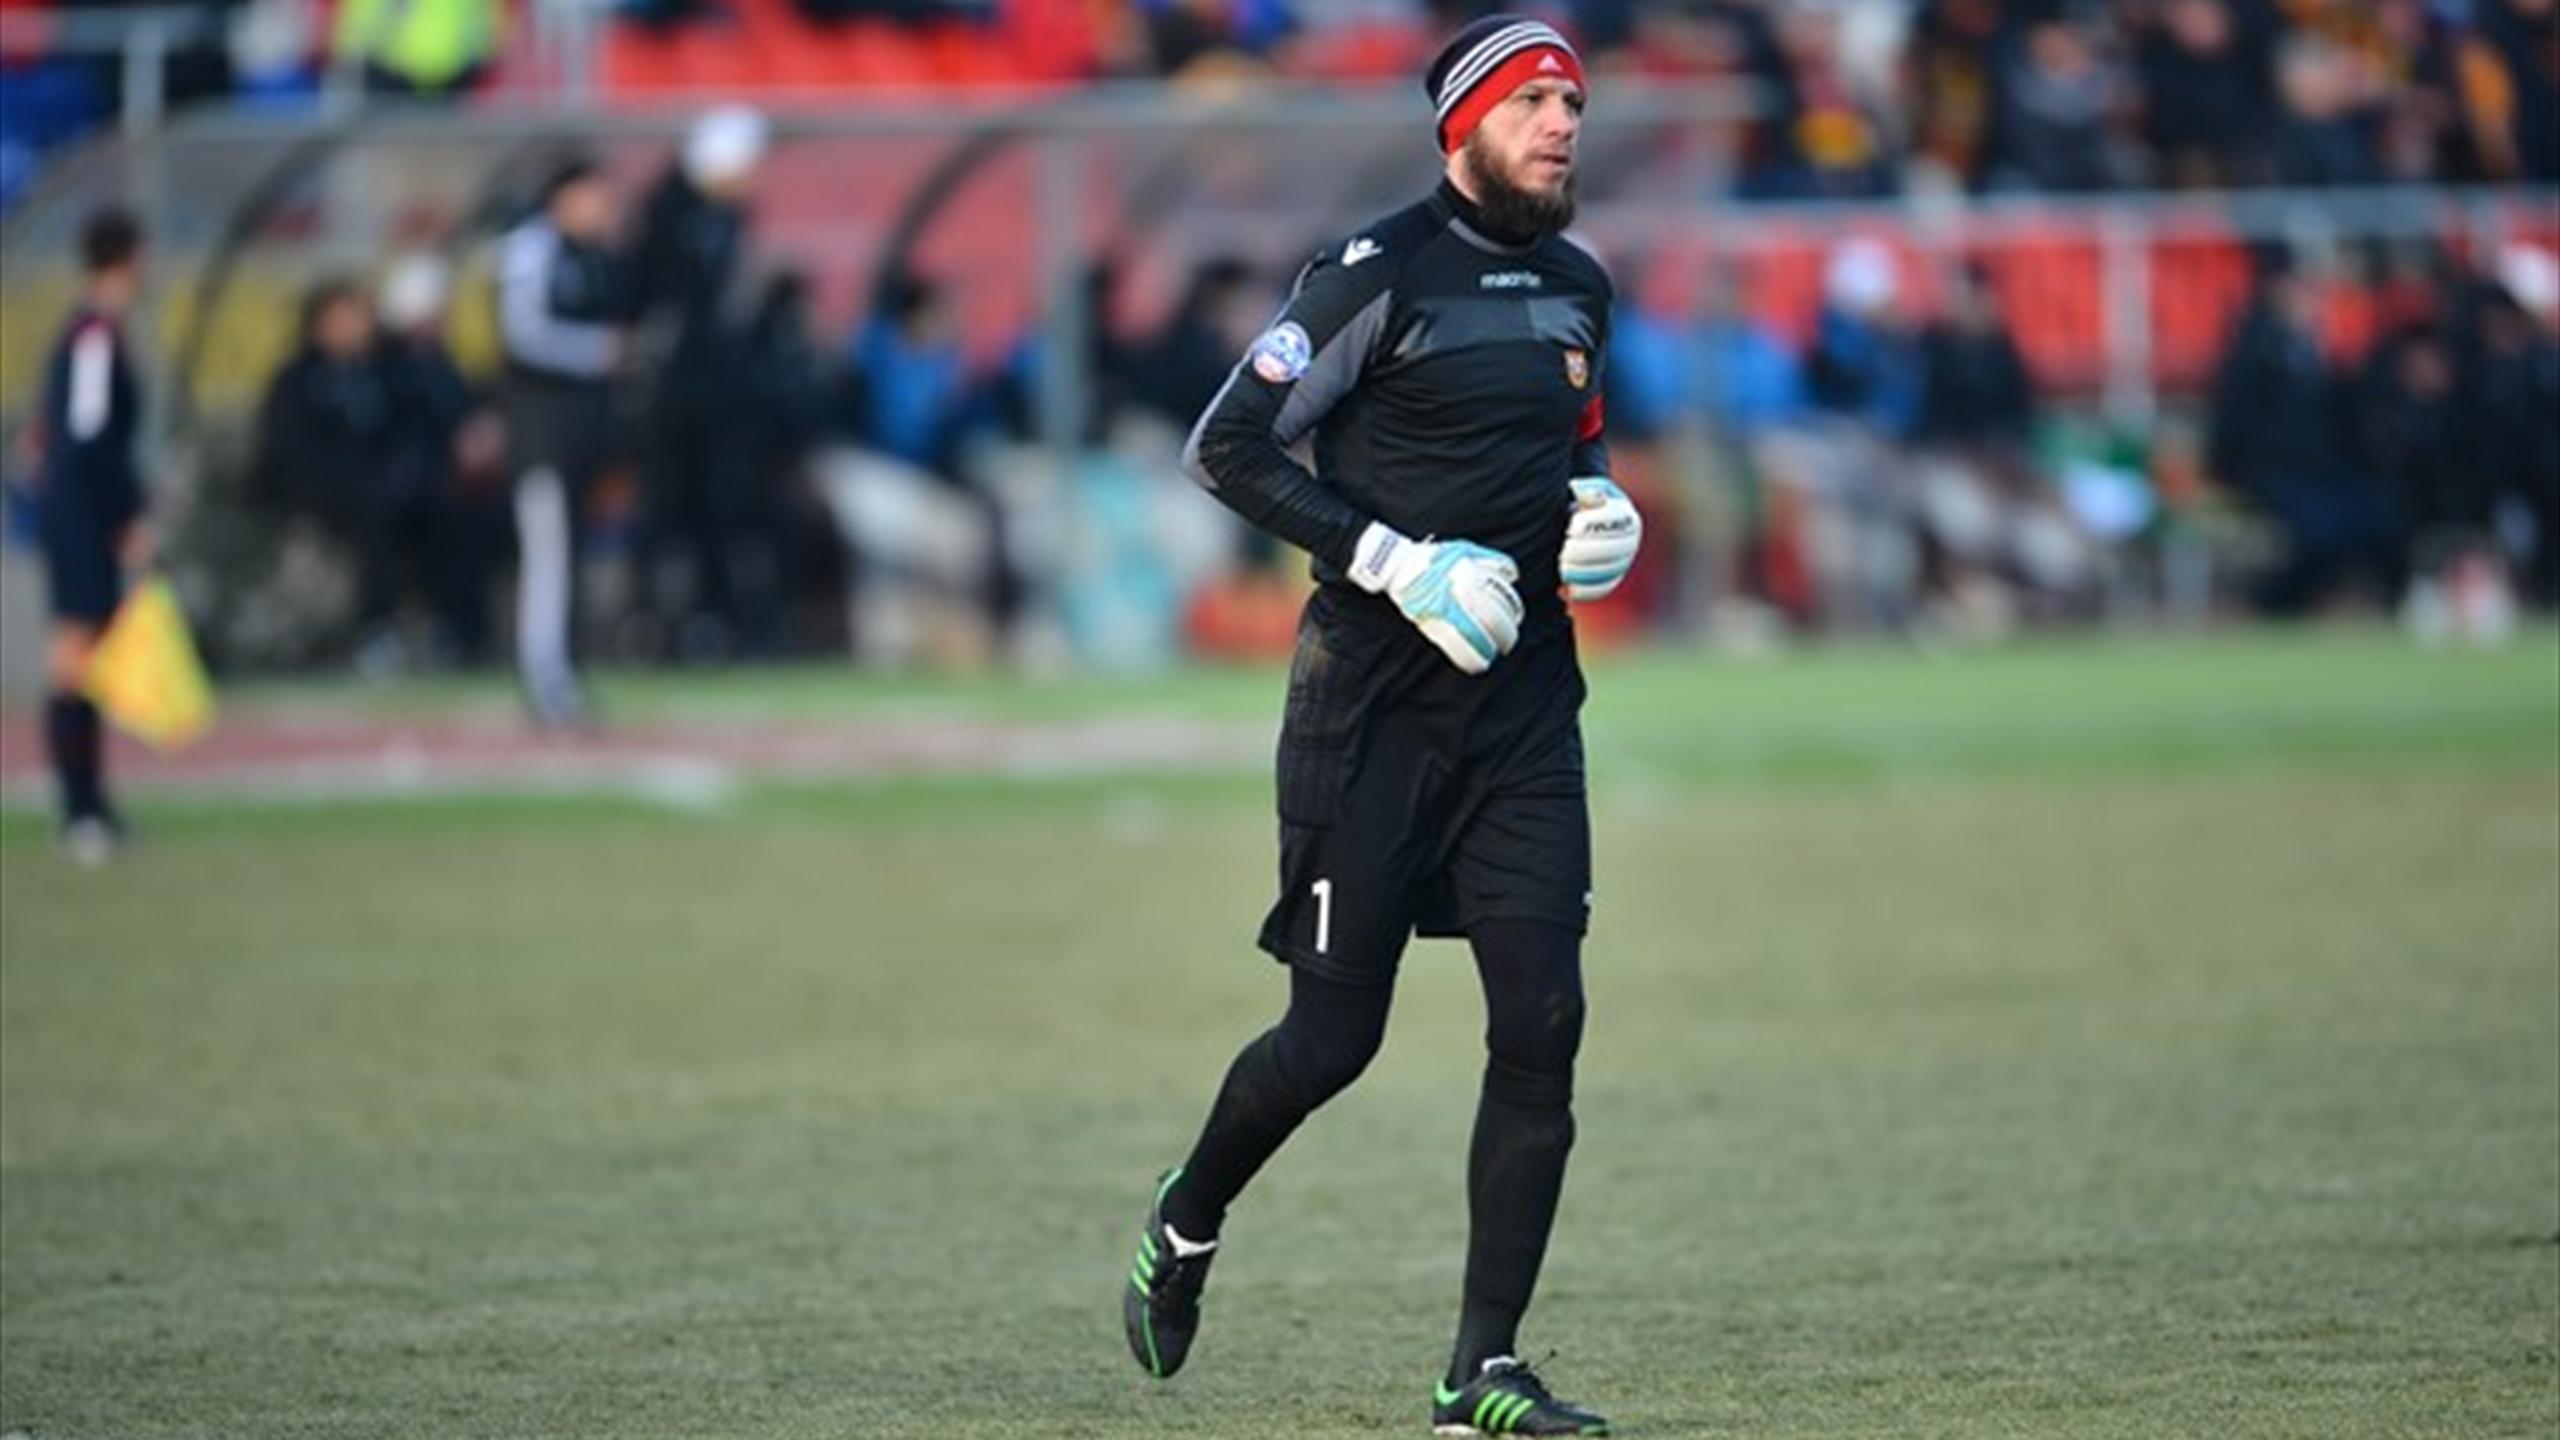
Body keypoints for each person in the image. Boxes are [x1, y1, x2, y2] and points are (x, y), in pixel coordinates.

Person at [1124, 18, 1638, 1436]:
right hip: (1371, 712)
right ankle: (1187, 1215)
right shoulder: (1375, 274)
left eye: (1572, 101)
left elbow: (1577, 441)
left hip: (1524, 710)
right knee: (1331, 1041)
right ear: (1462, 126)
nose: (1561, 123)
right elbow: (1225, 447)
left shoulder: (1583, 288)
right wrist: (1394, 562)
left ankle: (1481, 1370)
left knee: (1544, 1020)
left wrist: (1602, 509)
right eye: (1532, 102)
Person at [496, 157, 635, 727]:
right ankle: (545, 673)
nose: (602, 209)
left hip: (580, 435)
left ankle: (566, 667)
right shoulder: (531, 250)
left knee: (571, 552)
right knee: (547, 555)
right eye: (592, 196)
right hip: (542, 434)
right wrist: (596, 350)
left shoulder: (596, 257)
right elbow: (523, 334)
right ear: (562, 198)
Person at [33, 207, 151, 864]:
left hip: (81, 512)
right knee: (74, 657)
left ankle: (92, 803)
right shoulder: (93, 336)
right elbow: (85, 440)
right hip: (80, 515)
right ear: (127, 259)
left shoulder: (96, 332)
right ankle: (78, 809)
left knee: (89, 656)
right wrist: (124, 517)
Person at [632, 105, 766, 659]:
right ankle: (652, 617)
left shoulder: (729, 219)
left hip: (717, 394)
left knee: (718, 506)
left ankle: (711, 616)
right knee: (666, 506)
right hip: (674, 393)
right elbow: (653, 300)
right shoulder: (668, 216)